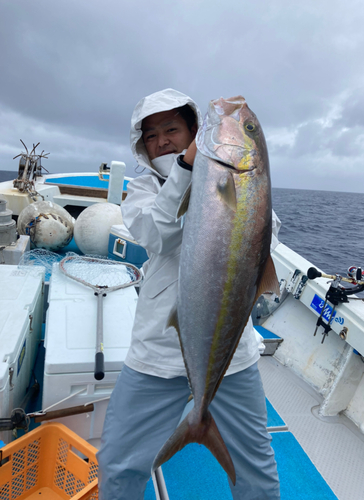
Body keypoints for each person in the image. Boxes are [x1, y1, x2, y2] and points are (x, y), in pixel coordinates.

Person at [97, 88, 281, 499]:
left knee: (257, 471)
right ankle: (196, 421)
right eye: (151, 135)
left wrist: (222, 183)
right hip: (155, 357)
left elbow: (266, 233)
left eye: (172, 129)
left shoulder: (239, 181)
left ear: (196, 132)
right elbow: (155, 235)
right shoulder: (141, 191)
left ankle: (201, 419)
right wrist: (184, 168)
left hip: (230, 360)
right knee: (118, 465)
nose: (161, 140)